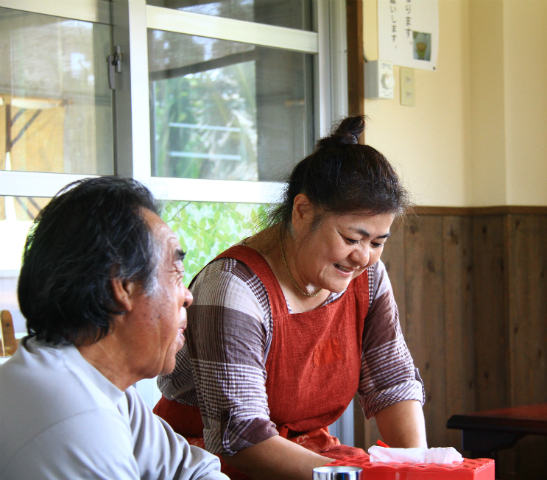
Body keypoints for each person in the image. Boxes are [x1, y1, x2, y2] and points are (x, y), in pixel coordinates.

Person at [154, 116, 426, 480]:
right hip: (206, 462)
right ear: (302, 211)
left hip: (309, 456)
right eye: (351, 239)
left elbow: (392, 383)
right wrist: (351, 476)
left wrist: (421, 467)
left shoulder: (367, 276)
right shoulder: (233, 286)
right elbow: (242, 437)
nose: (364, 256)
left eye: (377, 243)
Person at [0, 177, 228, 480]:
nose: (187, 296)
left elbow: (194, 470)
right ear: (123, 287)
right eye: (176, 273)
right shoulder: (77, 421)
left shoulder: (101, 386)